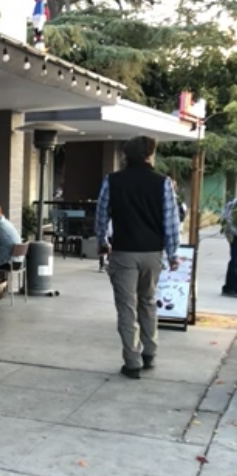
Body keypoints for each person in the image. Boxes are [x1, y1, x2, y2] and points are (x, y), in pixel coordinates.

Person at [96, 136, 180, 380]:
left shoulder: (112, 181)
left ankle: (132, 361)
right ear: (149, 155)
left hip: (123, 252)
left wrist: (103, 242)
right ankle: (150, 352)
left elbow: (102, 215)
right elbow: (170, 221)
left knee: (126, 307)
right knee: (148, 301)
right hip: (153, 253)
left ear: (126, 156)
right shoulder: (162, 183)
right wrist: (173, 253)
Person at [221, 196, 237, 297]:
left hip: (233, 234)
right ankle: (230, 287)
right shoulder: (235, 204)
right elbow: (228, 219)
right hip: (235, 236)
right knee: (235, 262)